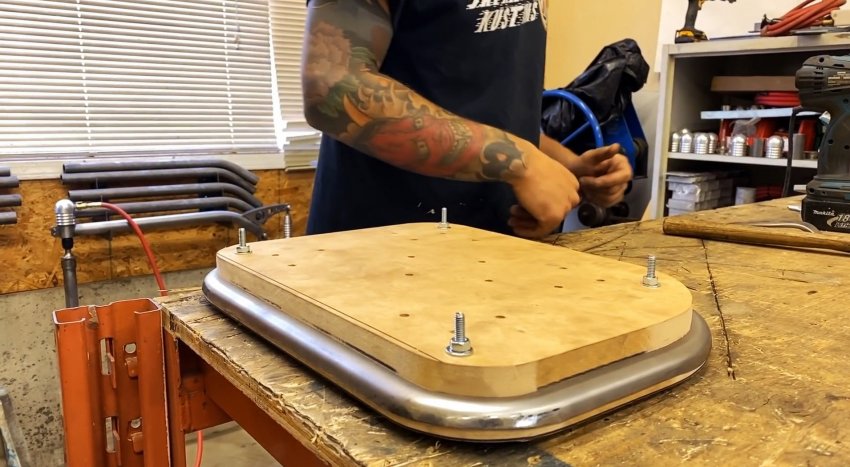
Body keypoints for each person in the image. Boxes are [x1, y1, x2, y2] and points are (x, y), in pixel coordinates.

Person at [301, 0, 632, 239]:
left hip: (497, 245)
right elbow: (331, 90)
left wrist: (567, 167)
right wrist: (519, 161)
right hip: (381, 250)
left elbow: (487, 107)